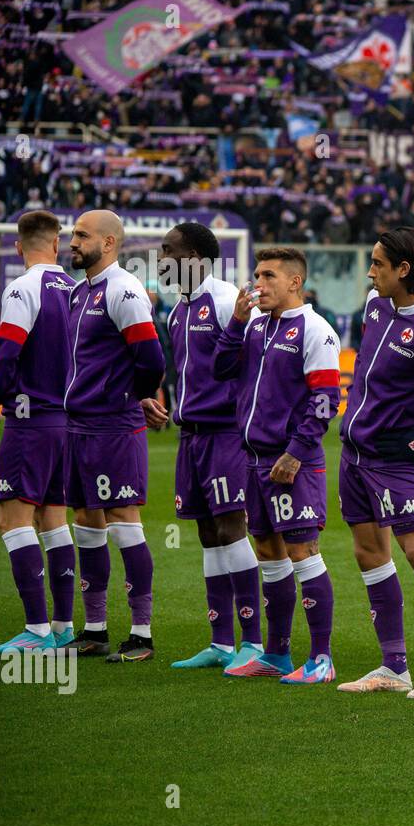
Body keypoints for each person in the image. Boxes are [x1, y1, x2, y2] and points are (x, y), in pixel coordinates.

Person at [335, 227, 414, 699]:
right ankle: (394, 667)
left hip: (395, 461)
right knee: (369, 554)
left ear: (404, 270)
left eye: (378, 265)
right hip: (354, 455)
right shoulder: (375, 306)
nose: (370, 272)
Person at [212, 247, 342, 684]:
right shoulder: (253, 328)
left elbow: (326, 401)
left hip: (292, 463)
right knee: (268, 553)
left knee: (303, 552)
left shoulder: (316, 330)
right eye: (256, 276)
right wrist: (234, 322)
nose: (258, 284)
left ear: (294, 282)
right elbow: (220, 368)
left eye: (268, 276)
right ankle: (277, 654)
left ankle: (321, 658)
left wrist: (296, 453)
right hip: (253, 460)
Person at [144, 222, 263, 672]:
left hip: (226, 435)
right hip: (190, 437)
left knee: (232, 527)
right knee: (208, 534)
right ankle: (221, 642)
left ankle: (252, 642)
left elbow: (251, 366)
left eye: (168, 250)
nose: (161, 258)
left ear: (194, 256)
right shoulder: (178, 311)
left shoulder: (228, 301)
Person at [57, 210, 166, 663]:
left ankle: (141, 635)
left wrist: (131, 396)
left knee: (124, 523)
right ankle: (95, 628)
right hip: (79, 426)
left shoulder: (123, 290)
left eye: (82, 235)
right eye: (73, 234)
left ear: (109, 243)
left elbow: (152, 357)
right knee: (85, 523)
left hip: (113, 428)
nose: (73, 241)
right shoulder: (81, 292)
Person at [0, 210, 76, 651]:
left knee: (12, 521)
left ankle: (35, 632)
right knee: (53, 522)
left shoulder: (21, 288)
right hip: (68, 422)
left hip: (30, 421)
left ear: (19, 247)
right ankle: (63, 627)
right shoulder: (78, 291)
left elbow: (6, 354)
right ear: (56, 244)